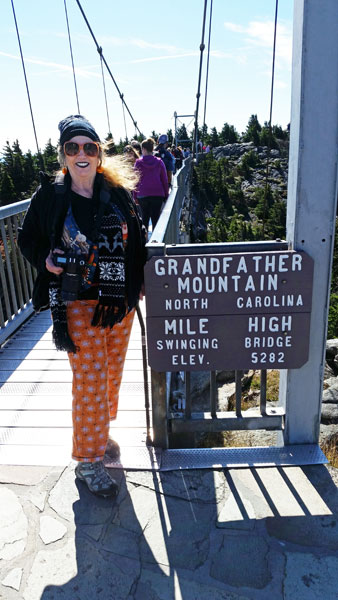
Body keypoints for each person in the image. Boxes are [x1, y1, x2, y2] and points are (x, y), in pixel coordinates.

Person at [18, 115, 146, 497]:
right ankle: (88, 461)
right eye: (72, 148)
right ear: (64, 155)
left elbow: (136, 241)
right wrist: (46, 260)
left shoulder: (118, 193)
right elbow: (27, 240)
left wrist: (138, 283)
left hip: (117, 302)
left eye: (89, 147)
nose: (81, 154)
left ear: (99, 154)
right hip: (76, 302)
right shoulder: (51, 195)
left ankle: (99, 433)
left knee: (111, 375)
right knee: (90, 380)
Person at [134, 137, 169, 233]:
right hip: (158, 194)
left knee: (144, 218)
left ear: (144, 149)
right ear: (152, 149)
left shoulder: (138, 163)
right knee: (156, 218)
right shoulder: (159, 162)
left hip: (142, 194)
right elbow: (164, 180)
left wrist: (135, 196)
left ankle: (144, 242)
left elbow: (135, 181)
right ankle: (156, 242)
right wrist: (166, 194)